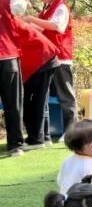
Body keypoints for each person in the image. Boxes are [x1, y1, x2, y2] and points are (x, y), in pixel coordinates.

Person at [23, 0, 76, 132]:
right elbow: (40, 29)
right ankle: (52, 130)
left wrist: (31, 19)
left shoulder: (61, 6)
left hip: (61, 56)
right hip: (48, 58)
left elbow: (57, 26)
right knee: (48, 96)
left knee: (65, 95)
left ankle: (72, 130)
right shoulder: (47, 8)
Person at [13, 14, 58, 149]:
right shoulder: (12, 19)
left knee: (35, 101)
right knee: (40, 100)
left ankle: (36, 140)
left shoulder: (7, 22)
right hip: (45, 57)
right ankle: (44, 137)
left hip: (41, 59)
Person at [0, 0, 29, 155]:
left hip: (7, 55)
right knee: (13, 103)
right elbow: (26, 5)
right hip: (7, 56)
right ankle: (16, 145)